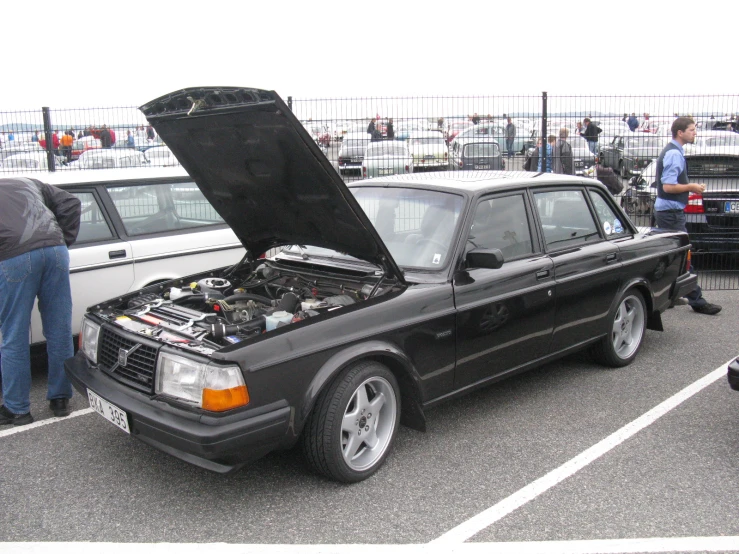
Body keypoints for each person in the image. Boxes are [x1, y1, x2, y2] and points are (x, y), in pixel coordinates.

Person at [0, 177, 81, 425]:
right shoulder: (28, 182)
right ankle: (60, 399)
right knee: (59, 330)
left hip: (14, 256)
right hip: (56, 251)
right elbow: (70, 202)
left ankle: (17, 410)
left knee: (14, 335)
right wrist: (63, 240)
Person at [653, 117, 721, 315]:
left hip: (668, 211)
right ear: (680, 132)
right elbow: (667, 186)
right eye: (691, 130)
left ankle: (668, 296)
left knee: (673, 257)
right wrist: (691, 187)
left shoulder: (672, 151)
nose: (695, 133)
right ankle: (697, 301)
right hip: (671, 212)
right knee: (684, 257)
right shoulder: (674, 154)